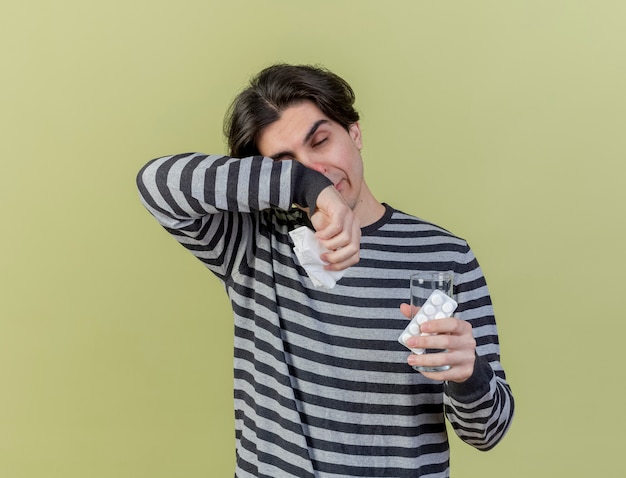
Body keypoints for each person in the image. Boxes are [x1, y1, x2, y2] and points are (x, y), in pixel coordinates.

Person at [136, 64, 514, 477]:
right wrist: (306, 188)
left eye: (320, 141)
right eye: (285, 163)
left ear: (354, 132)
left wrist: (469, 373)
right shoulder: (253, 243)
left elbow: (488, 432)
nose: (313, 166)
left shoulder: (444, 255)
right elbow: (155, 183)